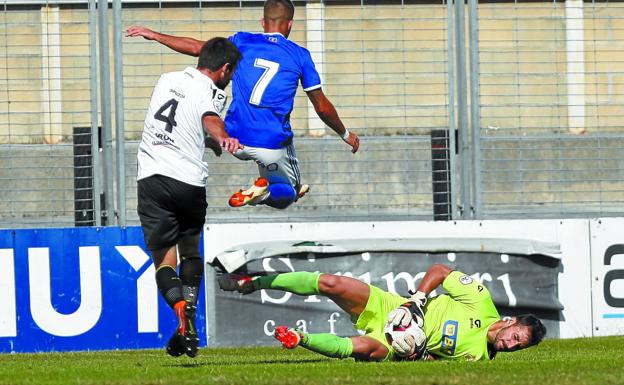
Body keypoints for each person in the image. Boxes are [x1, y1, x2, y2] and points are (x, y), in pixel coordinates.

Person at [126, 0, 360, 210]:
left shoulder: (241, 41)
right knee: (291, 192)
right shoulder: (300, 55)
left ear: (262, 21)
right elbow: (321, 107)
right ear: (290, 24)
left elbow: (199, 48)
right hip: (271, 144)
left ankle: (219, 150)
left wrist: (155, 35)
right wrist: (345, 133)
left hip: (233, 139)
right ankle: (265, 192)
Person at [136, 37, 242, 357]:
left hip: (152, 178)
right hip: (188, 182)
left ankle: (181, 311)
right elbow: (209, 118)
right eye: (232, 72)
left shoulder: (166, 79)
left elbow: (181, 122)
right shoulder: (212, 92)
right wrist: (223, 139)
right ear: (224, 69)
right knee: (190, 253)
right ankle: (190, 317)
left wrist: (155, 35)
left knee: (163, 262)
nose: (232, 78)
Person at [217, 263, 546, 362]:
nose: (512, 344)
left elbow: (436, 363)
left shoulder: (479, 360)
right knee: (331, 283)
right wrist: (417, 298)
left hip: (398, 342)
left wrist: (417, 352)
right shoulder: (481, 301)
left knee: (362, 348)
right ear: (509, 322)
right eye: (516, 337)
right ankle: (252, 282)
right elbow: (441, 271)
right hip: (393, 307)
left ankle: (299, 338)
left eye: (519, 346)